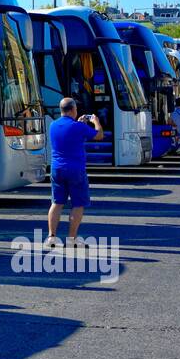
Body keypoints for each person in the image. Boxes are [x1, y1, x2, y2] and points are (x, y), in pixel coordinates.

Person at [45, 97, 103, 249]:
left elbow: (69, 134)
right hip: (75, 169)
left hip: (57, 168)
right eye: (76, 109)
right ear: (72, 109)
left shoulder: (53, 125)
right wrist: (95, 121)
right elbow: (99, 135)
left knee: (56, 203)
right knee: (78, 204)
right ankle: (72, 239)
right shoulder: (79, 127)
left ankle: (51, 237)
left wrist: (79, 123)